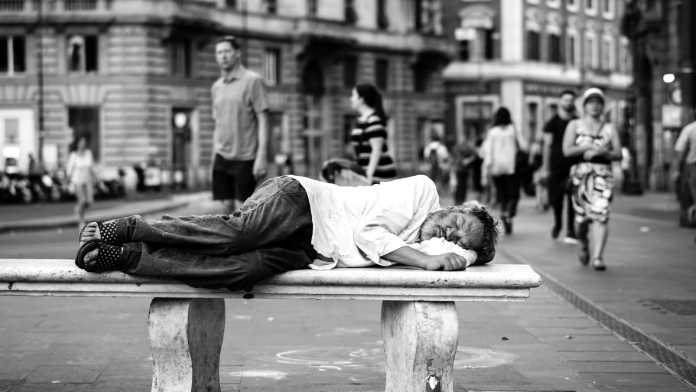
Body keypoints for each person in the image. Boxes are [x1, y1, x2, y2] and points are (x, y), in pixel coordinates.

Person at [74, 175, 498, 291]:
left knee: (241, 271)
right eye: (460, 224)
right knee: (236, 235)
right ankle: (130, 227)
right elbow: (370, 235)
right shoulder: (423, 192)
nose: (453, 235)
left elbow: (467, 256)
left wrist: (467, 251)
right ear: (459, 207)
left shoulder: (435, 243)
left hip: (312, 250)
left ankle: (130, 257)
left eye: (460, 239)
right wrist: (426, 258)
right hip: (303, 201)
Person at [562, 88, 622, 271]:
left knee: (601, 215)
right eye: (591, 102)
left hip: (603, 176)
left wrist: (605, 152)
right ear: (585, 106)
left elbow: (618, 153)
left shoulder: (610, 128)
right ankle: (584, 243)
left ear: (603, 106)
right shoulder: (574, 125)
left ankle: (598, 257)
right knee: (581, 219)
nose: (595, 106)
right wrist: (585, 147)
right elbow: (567, 150)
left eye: (598, 103)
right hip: (580, 175)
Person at [211, 35, 269, 214]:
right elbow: (218, 123)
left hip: (246, 157)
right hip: (221, 157)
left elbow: (263, 118)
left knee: (242, 214)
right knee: (223, 213)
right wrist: (214, 155)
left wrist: (262, 156)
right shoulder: (216, 87)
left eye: (227, 51)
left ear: (237, 54)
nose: (223, 56)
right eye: (219, 52)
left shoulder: (252, 81)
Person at [480, 107, 528, 235]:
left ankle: (503, 212)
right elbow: (524, 146)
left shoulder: (492, 132)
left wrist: (486, 170)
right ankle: (509, 213)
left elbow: (488, 152)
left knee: (502, 194)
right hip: (512, 167)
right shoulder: (513, 130)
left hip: (497, 168)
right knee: (514, 194)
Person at [541, 89, 579, 243]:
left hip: (574, 165)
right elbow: (547, 146)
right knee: (557, 199)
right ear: (560, 102)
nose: (568, 102)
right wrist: (545, 167)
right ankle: (558, 224)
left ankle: (571, 230)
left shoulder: (578, 122)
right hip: (556, 166)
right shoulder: (552, 123)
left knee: (572, 199)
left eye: (571, 100)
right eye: (565, 100)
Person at [349, 83, 396, 184]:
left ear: (361, 99)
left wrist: (368, 175)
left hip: (379, 175)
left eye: (353, 95)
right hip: (366, 173)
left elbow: (376, 150)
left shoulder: (373, 120)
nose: (351, 99)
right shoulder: (361, 120)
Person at [66, 136, 97, 229]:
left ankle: (78, 209)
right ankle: (81, 221)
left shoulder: (88, 153)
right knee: (82, 200)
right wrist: (68, 181)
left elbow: (91, 167)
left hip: (87, 180)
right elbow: (69, 169)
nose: (83, 144)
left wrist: (96, 177)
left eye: (84, 142)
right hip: (77, 180)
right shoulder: (73, 155)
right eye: (81, 142)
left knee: (88, 202)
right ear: (78, 143)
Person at [674, 114, 696, 228]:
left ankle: (689, 219)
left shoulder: (690, 128)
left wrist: (677, 169)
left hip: (693, 166)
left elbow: (680, 149)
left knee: (689, 194)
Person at [451, 140, 478, 204]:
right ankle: (459, 200)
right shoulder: (459, 148)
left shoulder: (459, 148)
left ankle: (460, 200)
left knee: (461, 185)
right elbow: (459, 160)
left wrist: (467, 160)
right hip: (460, 169)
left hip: (462, 169)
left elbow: (473, 156)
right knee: (461, 185)